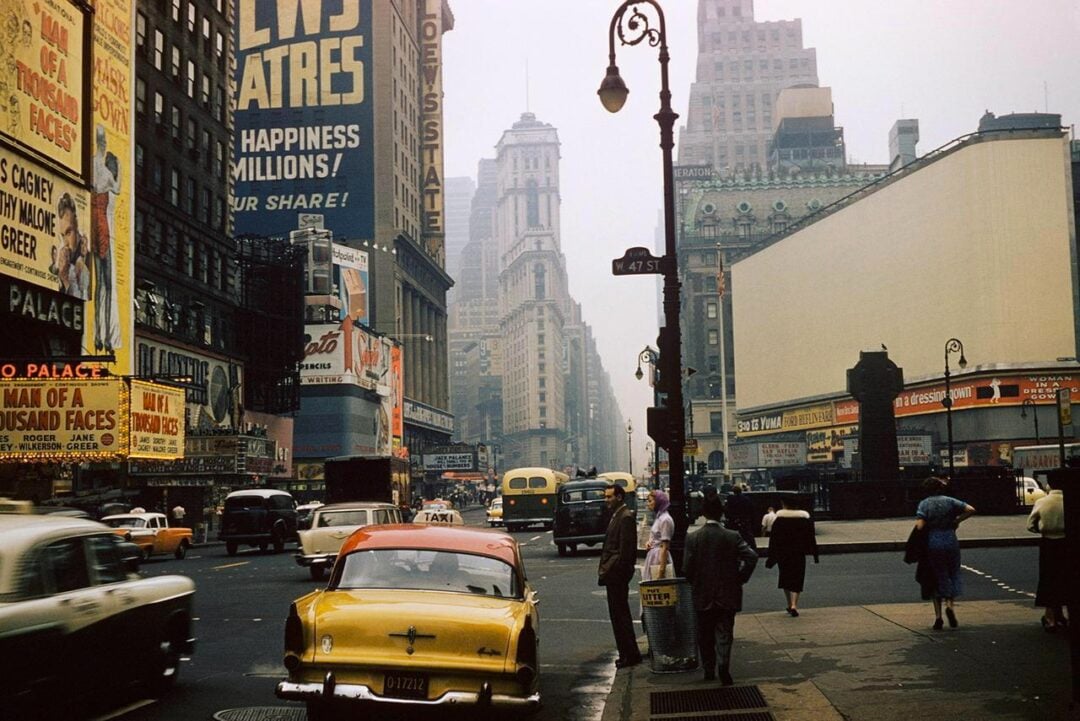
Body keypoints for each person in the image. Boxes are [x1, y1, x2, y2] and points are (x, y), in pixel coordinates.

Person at [684, 496, 758, 684]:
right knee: (725, 632)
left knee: (704, 633)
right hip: (727, 592)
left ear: (703, 513)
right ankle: (724, 666)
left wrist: (695, 581)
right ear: (721, 513)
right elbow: (751, 556)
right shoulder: (732, 536)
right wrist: (741, 577)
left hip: (702, 593)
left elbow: (687, 568)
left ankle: (709, 668)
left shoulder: (693, 538)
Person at [914, 477, 976, 630]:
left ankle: (938, 617)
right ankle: (950, 605)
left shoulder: (925, 504)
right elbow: (971, 509)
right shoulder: (950, 501)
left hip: (933, 542)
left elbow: (920, 526)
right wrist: (957, 521)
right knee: (953, 573)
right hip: (950, 540)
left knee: (936, 576)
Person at [598, 483, 641, 669]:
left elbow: (626, 551)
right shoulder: (618, 515)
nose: (606, 500)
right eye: (606, 497)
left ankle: (629, 655)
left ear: (619, 497)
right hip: (614, 574)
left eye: (609, 497)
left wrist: (618, 571)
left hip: (617, 575)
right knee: (617, 616)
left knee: (620, 616)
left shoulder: (625, 517)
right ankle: (627, 653)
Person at [765, 497, 818, 616]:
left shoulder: (779, 520)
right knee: (797, 578)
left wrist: (771, 557)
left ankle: (789, 603)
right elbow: (811, 538)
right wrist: (814, 554)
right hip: (798, 553)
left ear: (784, 504)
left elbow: (773, 540)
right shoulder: (804, 519)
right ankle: (794, 604)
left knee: (785, 578)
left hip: (783, 553)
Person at [1027, 476, 1066, 632]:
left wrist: (1041, 529)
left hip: (1048, 543)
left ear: (1049, 485)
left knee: (1049, 578)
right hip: (1067, 543)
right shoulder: (1071, 501)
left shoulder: (1042, 502)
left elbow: (1030, 525)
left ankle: (1050, 618)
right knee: (1067, 578)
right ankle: (1063, 614)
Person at [57, 192, 91, 299]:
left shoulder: (88, 260)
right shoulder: (64, 265)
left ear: (76, 223)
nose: (66, 243)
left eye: (68, 233)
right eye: (63, 236)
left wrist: (66, 280)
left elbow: (83, 303)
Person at [643, 490, 674, 581]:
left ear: (658, 501)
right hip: (653, 555)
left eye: (650, 501)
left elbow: (665, 546)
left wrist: (661, 571)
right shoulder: (659, 518)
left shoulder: (665, 520)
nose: (648, 504)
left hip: (659, 557)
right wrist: (649, 542)